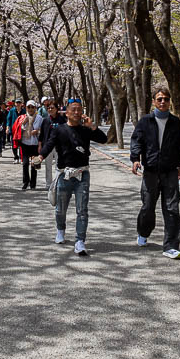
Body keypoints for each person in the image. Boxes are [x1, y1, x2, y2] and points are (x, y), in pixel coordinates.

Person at [37, 97, 107, 256]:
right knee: (60, 209)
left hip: (82, 174)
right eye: (73, 109)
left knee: (82, 210)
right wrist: (40, 157)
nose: (76, 112)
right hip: (64, 174)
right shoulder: (59, 129)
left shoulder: (85, 130)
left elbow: (103, 139)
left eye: (79, 109)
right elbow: (49, 145)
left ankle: (80, 241)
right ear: (66, 113)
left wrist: (93, 126)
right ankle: (60, 229)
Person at [130, 87, 180, 260]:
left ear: (170, 102)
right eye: (159, 99)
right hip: (151, 171)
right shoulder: (145, 121)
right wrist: (135, 158)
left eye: (166, 99)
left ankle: (170, 246)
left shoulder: (176, 123)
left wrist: (179, 165)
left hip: (170, 171)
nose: (163, 102)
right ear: (154, 101)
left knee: (172, 208)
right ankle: (143, 232)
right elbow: (136, 140)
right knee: (147, 207)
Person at [38, 101, 66, 190]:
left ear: (57, 109)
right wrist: (40, 145)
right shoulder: (45, 120)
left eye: (52, 108)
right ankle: (48, 184)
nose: (50, 109)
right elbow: (42, 134)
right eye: (49, 108)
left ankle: (59, 183)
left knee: (59, 166)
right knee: (48, 166)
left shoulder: (62, 120)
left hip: (59, 147)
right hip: (48, 146)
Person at [15, 100, 43, 190]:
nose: (30, 109)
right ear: (26, 108)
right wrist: (24, 123)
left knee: (34, 164)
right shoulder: (22, 117)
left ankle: (33, 183)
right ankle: (25, 182)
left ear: (35, 108)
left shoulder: (39, 118)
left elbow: (42, 131)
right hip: (25, 143)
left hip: (34, 143)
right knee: (25, 163)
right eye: (28, 107)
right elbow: (18, 130)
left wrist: (37, 131)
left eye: (32, 107)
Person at [7, 98, 25, 163]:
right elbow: (8, 120)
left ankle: (21, 157)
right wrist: (7, 128)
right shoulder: (12, 111)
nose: (18, 104)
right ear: (15, 104)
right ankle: (16, 157)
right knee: (14, 144)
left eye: (19, 103)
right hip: (13, 130)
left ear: (21, 104)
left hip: (21, 130)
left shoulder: (24, 111)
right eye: (17, 103)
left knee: (21, 144)